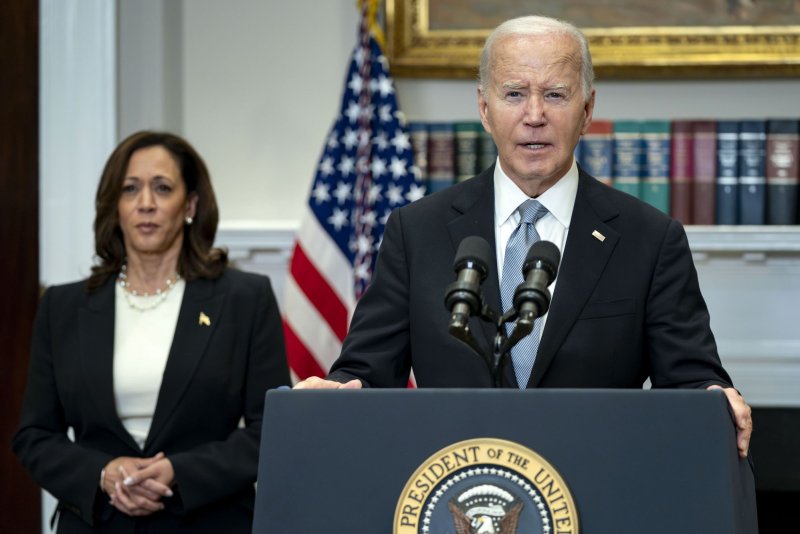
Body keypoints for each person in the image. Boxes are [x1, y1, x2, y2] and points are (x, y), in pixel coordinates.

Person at [295, 15, 752, 458]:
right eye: (514, 94)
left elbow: (691, 379)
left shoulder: (649, 239)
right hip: (454, 489)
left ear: (587, 109)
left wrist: (713, 396)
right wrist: (340, 390)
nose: (535, 115)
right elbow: (367, 371)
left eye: (555, 94)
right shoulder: (416, 231)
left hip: (592, 489)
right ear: (484, 109)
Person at [13, 131, 290, 533]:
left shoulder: (244, 299)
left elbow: (272, 430)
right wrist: (103, 472)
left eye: (162, 188)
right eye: (130, 189)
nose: (146, 203)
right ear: (116, 207)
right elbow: (34, 435)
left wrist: (181, 471)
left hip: (207, 520)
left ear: (190, 204)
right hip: (98, 521)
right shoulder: (63, 307)